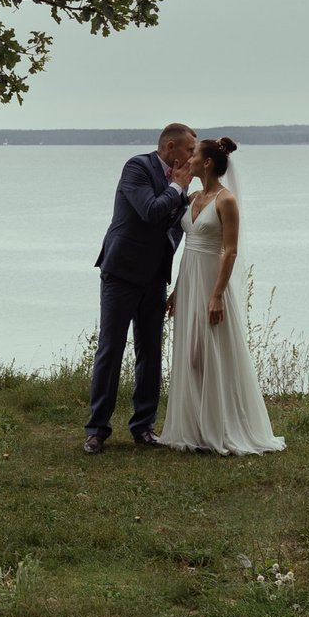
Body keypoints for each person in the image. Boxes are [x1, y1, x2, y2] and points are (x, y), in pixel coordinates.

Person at [162, 137, 284, 455]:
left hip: (211, 282)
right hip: (189, 281)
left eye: (195, 155)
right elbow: (187, 250)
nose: (189, 159)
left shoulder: (226, 201)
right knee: (189, 356)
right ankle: (194, 428)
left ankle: (222, 428)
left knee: (209, 353)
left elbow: (230, 252)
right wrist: (176, 289)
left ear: (207, 163)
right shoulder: (192, 198)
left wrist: (217, 296)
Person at [86, 122, 198, 454]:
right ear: (171, 148)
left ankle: (144, 427)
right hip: (121, 272)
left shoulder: (183, 183)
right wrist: (177, 188)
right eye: (190, 150)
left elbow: (176, 226)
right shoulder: (137, 167)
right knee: (111, 349)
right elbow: (150, 211)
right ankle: (96, 430)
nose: (194, 156)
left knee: (150, 352)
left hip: (154, 276)